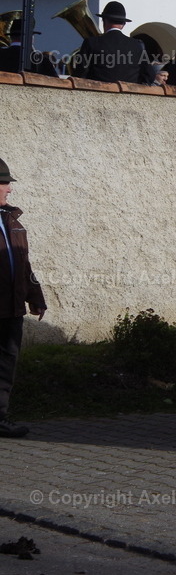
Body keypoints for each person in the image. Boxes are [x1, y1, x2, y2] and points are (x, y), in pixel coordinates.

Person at [0, 158, 46, 438]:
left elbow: (23, 266)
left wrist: (35, 296)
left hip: (10, 310)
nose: (9, 189)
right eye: (4, 183)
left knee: (5, 366)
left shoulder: (12, 222)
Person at [76, 1, 154, 84]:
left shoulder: (91, 42)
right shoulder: (137, 45)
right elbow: (150, 75)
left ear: (104, 21)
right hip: (129, 95)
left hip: (99, 94)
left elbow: (80, 74)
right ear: (123, 24)